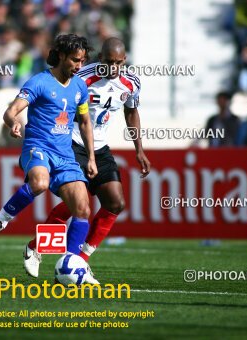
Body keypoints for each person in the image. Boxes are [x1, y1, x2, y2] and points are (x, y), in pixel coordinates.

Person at [23, 37, 151, 280]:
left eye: (117, 63)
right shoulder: (82, 77)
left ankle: (79, 260)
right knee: (80, 204)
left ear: (125, 61)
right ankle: (37, 248)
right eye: (108, 62)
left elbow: (131, 113)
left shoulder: (131, 83)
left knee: (115, 202)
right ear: (99, 58)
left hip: (100, 147)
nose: (112, 68)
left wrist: (139, 150)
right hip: (72, 143)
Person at [0, 34, 99, 282]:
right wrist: (13, 124)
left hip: (65, 155)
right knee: (40, 183)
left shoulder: (80, 87)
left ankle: (70, 263)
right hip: (38, 147)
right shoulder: (39, 82)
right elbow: (11, 111)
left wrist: (91, 157)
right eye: (75, 60)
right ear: (62, 56)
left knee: (83, 208)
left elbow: (85, 122)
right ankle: (0, 222)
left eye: (82, 61)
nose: (79, 66)